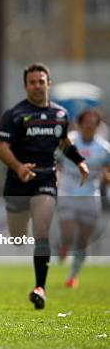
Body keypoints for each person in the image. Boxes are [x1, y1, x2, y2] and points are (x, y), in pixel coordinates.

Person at [0, 62, 88, 309]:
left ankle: (40, 288)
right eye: (32, 82)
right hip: (17, 182)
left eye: (41, 81)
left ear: (49, 83)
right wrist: (18, 168)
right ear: (26, 86)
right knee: (17, 238)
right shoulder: (14, 115)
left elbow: (64, 142)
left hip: (45, 179)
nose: (37, 86)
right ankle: (20, 230)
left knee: (41, 231)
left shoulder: (60, 114)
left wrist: (79, 161)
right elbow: (2, 148)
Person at [57, 108, 110, 288]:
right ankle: (63, 246)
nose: (89, 126)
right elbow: (56, 162)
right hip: (68, 192)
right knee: (69, 234)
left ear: (97, 125)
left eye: (93, 122)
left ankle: (73, 275)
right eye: (86, 122)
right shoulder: (69, 141)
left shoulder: (103, 148)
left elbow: (108, 170)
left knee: (82, 240)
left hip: (90, 195)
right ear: (80, 124)